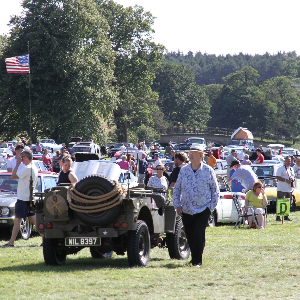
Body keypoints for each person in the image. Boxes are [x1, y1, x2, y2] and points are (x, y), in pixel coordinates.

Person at [173, 145, 219, 267]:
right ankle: (194, 258)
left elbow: (215, 191)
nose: (191, 155)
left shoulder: (208, 171)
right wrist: (177, 204)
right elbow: (177, 189)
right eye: (190, 153)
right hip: (186, 209)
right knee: (190, 235)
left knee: (199, 233)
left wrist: (210, 208)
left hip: (203, 208)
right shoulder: (183, 170)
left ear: (201, 155)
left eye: (194, 153)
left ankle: (197, 261)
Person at [3, 150, 39, 247]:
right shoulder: (34, 168)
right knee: (33, 219)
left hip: (23, 198)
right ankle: (45, 238)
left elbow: (13, 175)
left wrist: (17, 164)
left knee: (17, 220)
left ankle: (11, 242)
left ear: (26, 158)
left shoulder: (27, 168)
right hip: (29, 197)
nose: (21, 159)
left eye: (22, 157)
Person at [275, 156, 294, 221]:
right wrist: (285, 180)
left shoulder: (291, 169)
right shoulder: (281, 168)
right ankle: (278, 217)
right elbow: (277, 177)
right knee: (280, 203)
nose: (289, 162)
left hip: (289, 189)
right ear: (284, 161)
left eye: (290, 161)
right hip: (282, 189)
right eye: (287, 161)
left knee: (288, 203)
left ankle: (286, 216)